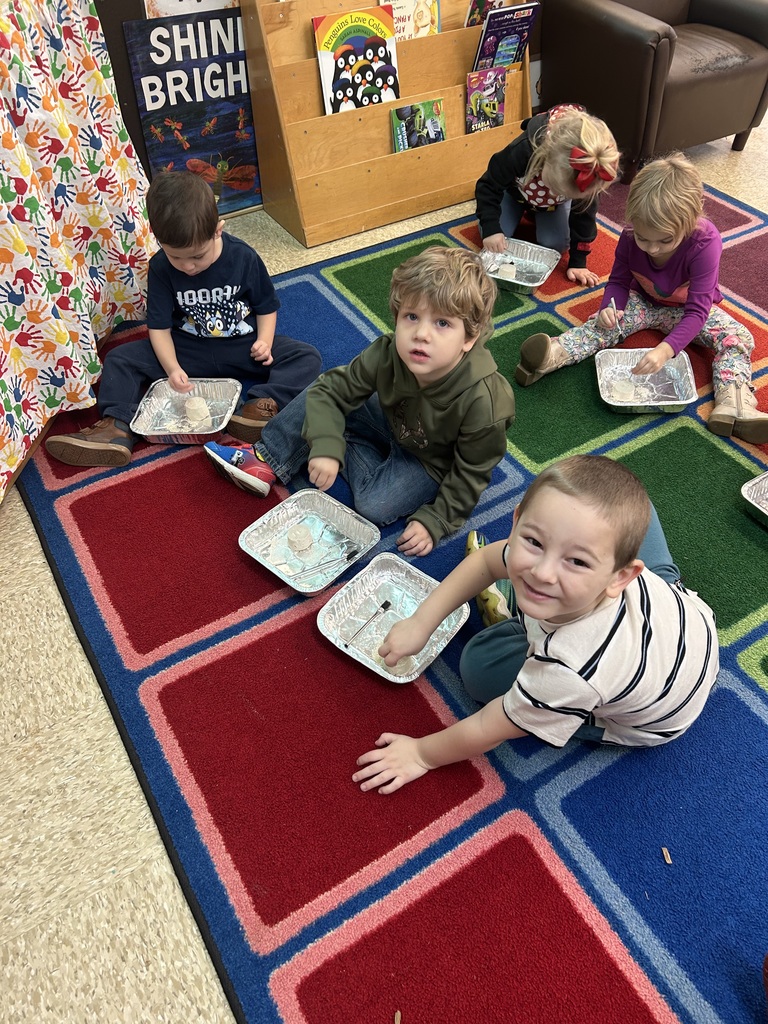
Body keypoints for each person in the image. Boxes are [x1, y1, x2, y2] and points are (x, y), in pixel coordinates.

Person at [352, 455, 719, 794]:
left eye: (576, 561)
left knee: (479, 668)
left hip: (651, 715)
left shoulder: (571, 670)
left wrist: (421, 755)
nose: (542, 572)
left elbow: (490, 726)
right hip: (683, 615)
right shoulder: (580, 558)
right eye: (533, 541)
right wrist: (421, 621)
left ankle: (521, 615)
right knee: (614, 508)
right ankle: (543, 603)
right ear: (516, 522)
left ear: (620, 577)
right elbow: (488, 561)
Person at [204, 246, 516, 556]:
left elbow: (471, 473)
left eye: (442, 323)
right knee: (323, 391)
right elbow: (332, 391)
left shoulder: (484, 401)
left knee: (373, 506)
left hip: (430, 462)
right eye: (411, 316)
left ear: (469, 338)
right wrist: (325, 445)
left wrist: (437, 520)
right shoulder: (389, 352)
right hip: (393, 418)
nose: (421, 334)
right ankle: (268, 457)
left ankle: (341, 436)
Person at [45, 170, 322, 467]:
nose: (188, 267)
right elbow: (159, 328)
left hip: (242, 346)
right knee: (120, 358)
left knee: (306, 356)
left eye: (198, 256)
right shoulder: (162, 267)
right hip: (186, 350)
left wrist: (265, 342)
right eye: (177, 257)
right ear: (157, 238)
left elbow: (266, 305)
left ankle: (256, 407)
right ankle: (117, 427)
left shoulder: (244, 257)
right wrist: (172, 367)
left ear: (218, 229)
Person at [515, 152, 768, 444]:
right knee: (603, 324)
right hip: (644, 302)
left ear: (691, 220)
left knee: (737, 337)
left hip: (688, 311)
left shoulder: (706, 242)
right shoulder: (630, 235)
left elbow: (698, 312)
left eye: (664, 240)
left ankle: (734, 404)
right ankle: (551, 356)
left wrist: (666, 350)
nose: (652, 249)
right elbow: (619, 282)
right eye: (643, 238)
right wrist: (611, 307)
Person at [475, 104, 620, 288]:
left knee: (554, 245)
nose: (557, 192)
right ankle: (515, 216)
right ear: (546, 159)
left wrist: (578, 262)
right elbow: (488, 185)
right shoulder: (523, 150)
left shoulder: (589, 175)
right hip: (513, 194)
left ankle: (552, 209)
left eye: (566, 193)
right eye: (556, 187)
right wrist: (491, 228)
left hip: (551, 207)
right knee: (493, 237)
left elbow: (584, 217)